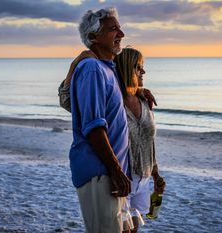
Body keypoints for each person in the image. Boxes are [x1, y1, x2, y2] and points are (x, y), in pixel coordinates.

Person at [68, 7, 131, 232]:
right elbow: (94, 127)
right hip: (101, 173)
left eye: (120, 28)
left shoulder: (106, 69)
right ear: (94, 37)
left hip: (111, 174)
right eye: (113, 29)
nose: (121, 34)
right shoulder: (92, 69)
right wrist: (116, 171)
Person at [114, 48, 165, 233]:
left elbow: (148, 142)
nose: (143, 72)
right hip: (122, 179)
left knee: (134, 230)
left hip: (143, 179)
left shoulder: (144, 101)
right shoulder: (114, 102)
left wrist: (156, 174)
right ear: (127, 69)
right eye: (138, 67)